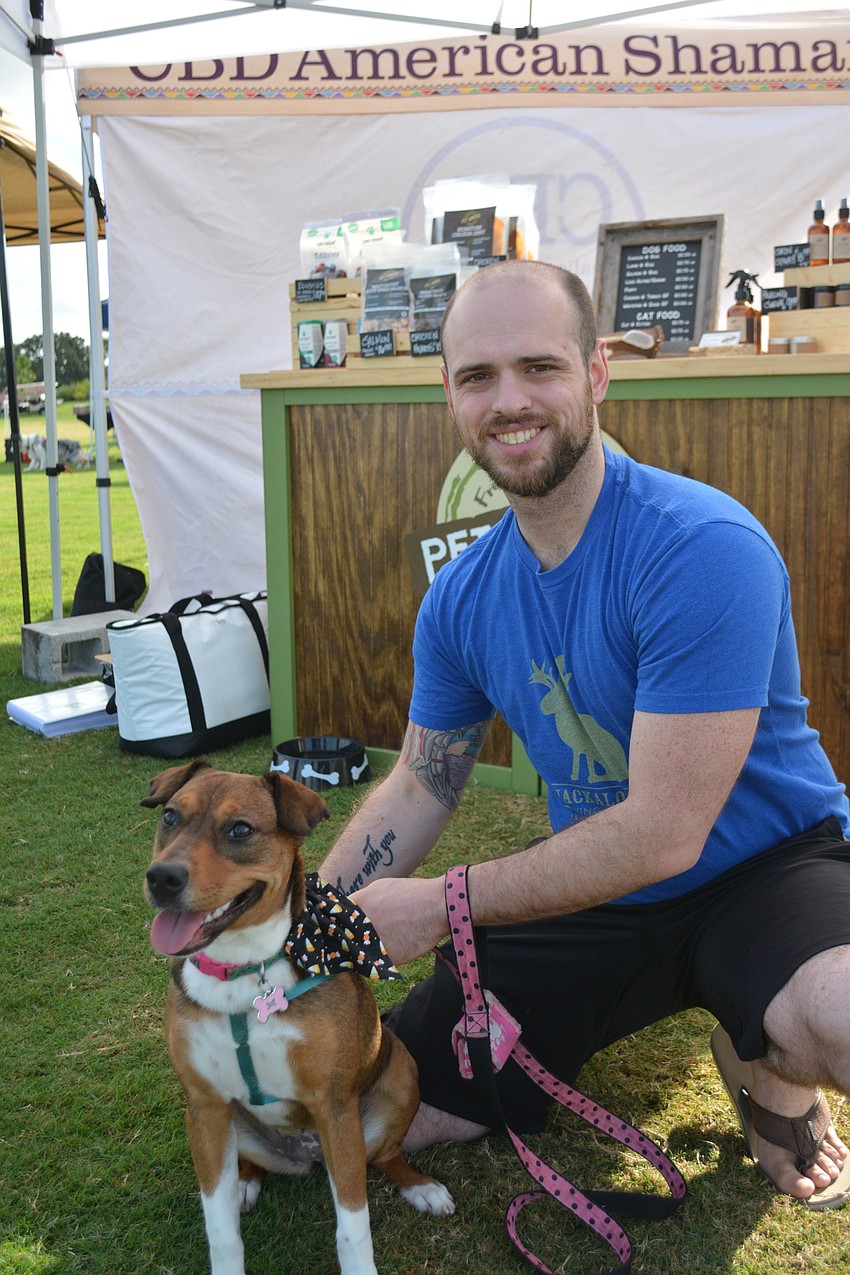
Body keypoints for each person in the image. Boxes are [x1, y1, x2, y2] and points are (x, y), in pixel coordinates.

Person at [319, 258, 850, 1209]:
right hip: (596, 890)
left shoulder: (699, 545)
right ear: (448, 393)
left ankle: (768, 1047)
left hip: (766, 868)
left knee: (835, 1018)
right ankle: (746, 1020)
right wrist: (314, 925)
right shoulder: (461, 598)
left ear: (598, 370)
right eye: (478, 376)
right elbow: (421, 782)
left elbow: (665, 832)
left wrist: (438, 904)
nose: (508, 401)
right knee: (366, 1115)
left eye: (540, 367)